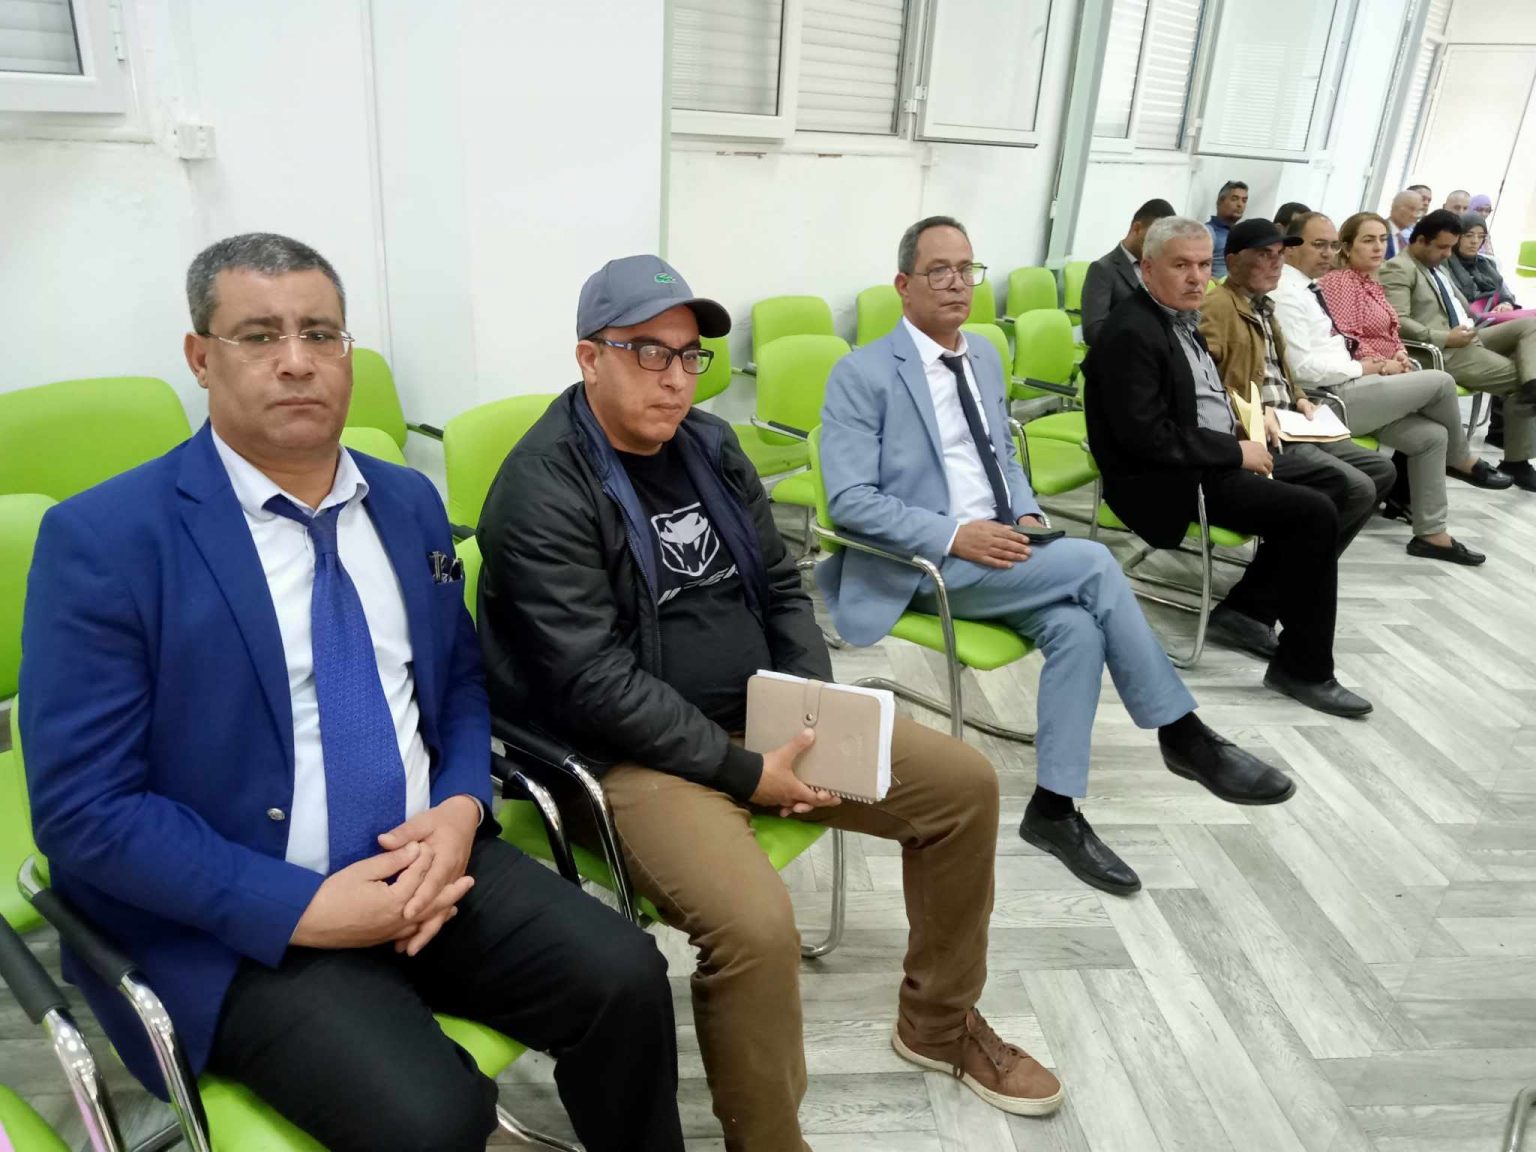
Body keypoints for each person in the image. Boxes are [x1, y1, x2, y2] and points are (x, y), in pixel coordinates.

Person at [18, 235, 685, 1152]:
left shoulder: (408, 504)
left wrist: (459, 809)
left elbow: (456, 684)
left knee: (626, 977)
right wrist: (298, 908)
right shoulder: (105, 541)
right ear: (201, 358)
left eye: (321, 334)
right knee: (432, 1118)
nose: (297, 361)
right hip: (242, 909)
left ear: (347, 354)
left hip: (427, 857)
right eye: (260, 335)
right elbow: (85, 811)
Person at [479, 254, 1067, 1152]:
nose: (676, 378)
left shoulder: (711, 446)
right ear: (589, 358)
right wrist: (746, 771)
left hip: (758, 718)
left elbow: (784, 589)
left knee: (963, 788)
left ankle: (939, 1026)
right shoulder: (541, 490)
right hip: (625, 757)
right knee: (755, 929)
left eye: (690, 356)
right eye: (648, 352)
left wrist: (808, 708)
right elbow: (591, 682)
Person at [817, 215, 1292, 895]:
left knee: (1076, 630)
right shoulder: (862, 373)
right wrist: (954, 535)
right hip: (923, 561)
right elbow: (851, 501)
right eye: (938, 271)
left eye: (966, 269)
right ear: (903, 285)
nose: (957, 283)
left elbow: (1003, 456)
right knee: (1096, 564)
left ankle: (1054, 809)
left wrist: (1026, 511)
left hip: (1006, 545)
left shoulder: (983, 355)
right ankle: (1183, 734)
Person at [1086, 216, 1372, 718]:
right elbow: (1147, 438)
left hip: (1213, 454)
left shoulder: (1178, 315)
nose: (1197, 277)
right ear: (1148, 269)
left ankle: (1249, 609)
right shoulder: (1132, 333)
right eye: (1181, 265)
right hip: (1171, 479)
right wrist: (1236, 451)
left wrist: (1245, 425)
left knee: (1339, 486)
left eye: (1203, 264)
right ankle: (1303, 669)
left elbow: (1201, 397)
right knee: (1313, 513)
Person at [1275, 212, 1503, 564]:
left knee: (1431, 437)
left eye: (1382, 239)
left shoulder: (1327, 286)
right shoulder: (1309, 289)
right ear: (1290, 248)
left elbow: (1366, 338)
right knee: (1442, 381)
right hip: (1328, 398)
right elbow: (1308, 366)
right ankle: (1460, 459)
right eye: (1320, 245)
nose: (1327, 253)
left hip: (1358, 383)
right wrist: (1375, 366)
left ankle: (1431, 534)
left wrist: (1392, 357)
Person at [1199, 219, 1395, 556]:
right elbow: (1205, 381)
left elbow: (1282, 371)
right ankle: (1294, 567)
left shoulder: (1264, 306)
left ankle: (1300, 561)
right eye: (1264, 254)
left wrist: (1301, 398)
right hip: (1264, 432)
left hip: (1294, 419)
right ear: (1232, 261)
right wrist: (1255, 412)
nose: (1276, 262)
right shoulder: (1218, 308)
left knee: (1383, 469)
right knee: (1358, 487)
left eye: (1279, 254)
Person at [1377, 209, 1536, 490]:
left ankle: (1532, 382)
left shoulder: (1435, 267)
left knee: (1531, 327)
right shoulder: (1399, 268)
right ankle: (1517, 460)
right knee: (1522, 383)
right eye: (1442, 247)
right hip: (1441, 349)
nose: (1448, 254)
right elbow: (1397, 321)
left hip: (1468, 334)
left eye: (1451, 247)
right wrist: (1445, 337)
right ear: (1421, 240)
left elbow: (1465, 309)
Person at [1082, 197, 1176, 345]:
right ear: (1136, 229)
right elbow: (1093, 332)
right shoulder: (1103, 270)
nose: (1157, 247)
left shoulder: (1158, 269)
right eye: (1153, 239)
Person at [1446, 211, 1533, 320]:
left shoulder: (1487, 264)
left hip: (1494, 315)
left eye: (1481, 236)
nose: (1475, 241)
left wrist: (1505, 304)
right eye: (1468, 235)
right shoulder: (1444, 264)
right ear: (1456, 237)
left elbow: (1504, 292)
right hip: (1467, 319)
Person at [1206, 180, 1248, 278]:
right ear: (1219, 201)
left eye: (1244, 200)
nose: (1240, 204)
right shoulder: (1208, 231)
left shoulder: (1242, 234)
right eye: (1234, 199)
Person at [1385, 190, 1422, 259]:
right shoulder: (1380, 231)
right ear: (1394, 206)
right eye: (1411, 209)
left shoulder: (1416, 236)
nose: (1414, 215)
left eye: (1418, 211)